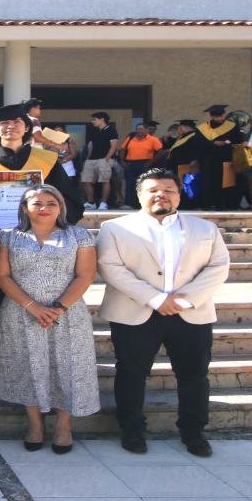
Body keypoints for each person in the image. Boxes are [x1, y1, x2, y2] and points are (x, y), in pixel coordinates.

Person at [97, 168, 230, 457]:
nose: (162, 195)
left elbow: (218, 267)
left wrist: (185, 300)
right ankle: (132, 431)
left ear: (179, 195)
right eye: (153, 190)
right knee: (131, 374)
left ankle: (193, 432)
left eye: (169, 190)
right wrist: (156, 298)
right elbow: (111, 268)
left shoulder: (205, 229)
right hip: (135, 311)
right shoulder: (115, 228)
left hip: (190, 313)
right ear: (140, 195)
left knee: (194, 375)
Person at [0, 104, 84, 369]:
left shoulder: (46, 161)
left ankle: (35, 357)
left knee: (34, 295)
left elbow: (69, 200)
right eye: (3, 123)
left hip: (35, 243)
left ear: (27, 127)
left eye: (17, 122)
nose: (10, 127)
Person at [0, 185, 100, 454]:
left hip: (67, 312)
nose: (45, 208)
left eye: (52, 202)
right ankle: (35, 424)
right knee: (28, 365)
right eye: (37, 203)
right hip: (20, 311)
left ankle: (63, 425)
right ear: (24, 208)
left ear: (61, 207)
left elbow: (85, 275)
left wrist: (58, 307)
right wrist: (33, 306)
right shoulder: (8, 237)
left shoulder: (78, 235)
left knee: (67, 365)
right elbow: (1, 275)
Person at [195, 104, 245, 209]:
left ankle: (222, 204)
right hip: (207, 158)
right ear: (211, 116)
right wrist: (213, 143)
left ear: (224, 114)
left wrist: (227, 142)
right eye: (216, 117)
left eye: (221, 116)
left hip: (225, 157)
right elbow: (198, 142)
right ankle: (206, 204)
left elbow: (238, 139)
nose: (219, 119)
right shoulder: (203, 128)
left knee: (224, 181)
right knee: (207, 181)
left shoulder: (232, 126)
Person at [119, 123, 163, 208]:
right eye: (138, 129)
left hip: (145, 164)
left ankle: (144, 204)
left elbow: (160, 151)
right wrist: (122, 161)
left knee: (144, 184)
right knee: (130, 184)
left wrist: (151, 162)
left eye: (141, 129)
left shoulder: (153, 139)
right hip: (130, 164)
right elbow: (122, 150)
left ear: (146, 130)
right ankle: (128, 204)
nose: (139, 131)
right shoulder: (130, 138)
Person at [81, 111, 119, 210]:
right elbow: (91, 146)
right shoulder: (94, 130)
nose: (92, 121)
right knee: (86, 180)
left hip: (104, 159)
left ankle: (104, 203)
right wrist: (87, 159)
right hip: (91, 160)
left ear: (102, 119)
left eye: (94, 119)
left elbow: (114, 146)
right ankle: (91, 202)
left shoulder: (111, 130)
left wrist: (106, 159)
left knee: (104, 181)